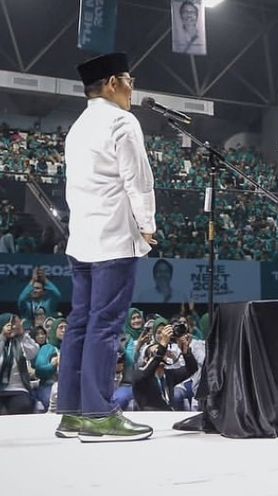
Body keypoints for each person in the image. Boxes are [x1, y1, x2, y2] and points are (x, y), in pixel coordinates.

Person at [56, 52, 156, 442]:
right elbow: (138, 180)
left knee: (81, 323)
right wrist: (147, 225)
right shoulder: (122, 121)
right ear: (113, 83)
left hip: (81, 238)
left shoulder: (77, 126)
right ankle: (99, 413)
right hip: (114, 238)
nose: (133, 89)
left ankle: (72, 414)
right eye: (130, 81)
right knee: (105, 325)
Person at [132, 322, 198, 411]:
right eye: (156, 352)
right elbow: (147, 373)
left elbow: (192, 368)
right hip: (149, 419)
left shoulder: (168, 375)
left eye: (163, 352)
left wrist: (185, 351)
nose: (161, 354)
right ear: (146, 359)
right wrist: (162, 346)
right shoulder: (139, 376)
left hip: (169, 417)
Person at [0, 313, 39, 414]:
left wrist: (22, 334)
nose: (13, 327)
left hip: (18, 389)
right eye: (9, 324)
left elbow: (33, 352)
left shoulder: (21, 341)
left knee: (23, 406)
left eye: (15, 324)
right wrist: (3, 338)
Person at [33, 318, 67, 412]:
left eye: (66, 327)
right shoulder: (47, 348)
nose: (64, 330)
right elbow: (39, 371)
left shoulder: (75, 349)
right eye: (61, 327)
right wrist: (53, 365)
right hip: (49, 386)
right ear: (54, 330)